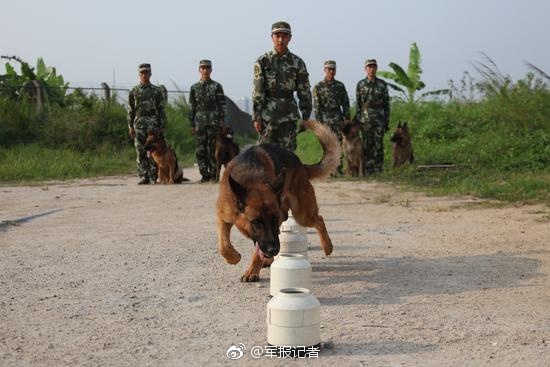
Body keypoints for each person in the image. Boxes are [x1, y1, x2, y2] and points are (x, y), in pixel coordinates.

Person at [252, 21, 312, 152]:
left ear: (290, 38)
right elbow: (258, 91)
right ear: (272, 37)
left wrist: (306, 117)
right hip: (268, 117)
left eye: (284, 36)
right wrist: (257, 117)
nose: (280, 39)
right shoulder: (263, 61)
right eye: (277, 35)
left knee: (288, 155)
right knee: (265, 154)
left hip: (288, 116)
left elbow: (304, 91)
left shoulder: (297, 63)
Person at [127, 63, 166, 185]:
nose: (144, 75)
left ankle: (153, 175)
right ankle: (144, 176)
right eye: (142, 73)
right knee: (141, 150)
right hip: (139, 125)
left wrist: (162, 125)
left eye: (147, 72)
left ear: (150, 74)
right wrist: (130, 126)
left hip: (153, 126)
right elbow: (130, 110)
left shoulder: (156, 91)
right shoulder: (134, 91)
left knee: (154, 151)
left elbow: (161, 109)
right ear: (139, 74)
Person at [189, 59, 227, 183]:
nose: (205, 70)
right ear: (199, 70)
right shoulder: (194, 88)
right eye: (203, 68)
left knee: (213, 150)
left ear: (211, 70)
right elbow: (192, 106)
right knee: (200, 150)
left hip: (213, 122)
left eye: (207, 68)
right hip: (199, 122)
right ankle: (204, 174)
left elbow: (222, 105)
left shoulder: (216, 86)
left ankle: (213, 175)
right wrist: (192, 123)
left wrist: (221, 120)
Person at [313, 60, 351, 173]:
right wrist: (319, 124)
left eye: (333, 69)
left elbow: (345, 102)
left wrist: (347, 117)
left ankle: (338, 169)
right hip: (325, 118)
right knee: (326, 145)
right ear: (325, 70)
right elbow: (316, 105)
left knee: (338, 144)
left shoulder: (340, 85)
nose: (331, 71)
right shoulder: (318, 86)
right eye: (329, 69)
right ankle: (328, 170)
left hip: (337, 118)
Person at [355, 59, 390, 174]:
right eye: (369, 67)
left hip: (379, 118)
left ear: (376, 68)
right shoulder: (361, 84)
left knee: (378, 144)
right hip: (366, 119)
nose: (371, 69)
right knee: (366, 144)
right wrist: (358, 120)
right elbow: (358, 104)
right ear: (365, 69)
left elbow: (386, 104)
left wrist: (386, 120)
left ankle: (378, 168)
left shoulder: (382, 84)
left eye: (373, 67)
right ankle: (367, 168)